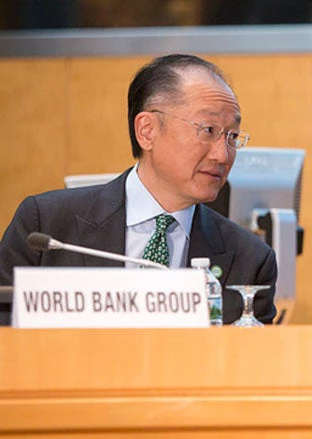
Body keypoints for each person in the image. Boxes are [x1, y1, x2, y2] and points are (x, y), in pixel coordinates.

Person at [0, 54, 277, 324]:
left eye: (232, 136)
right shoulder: (46, 226)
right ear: (147, 131)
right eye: (207, 130)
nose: (222, 155)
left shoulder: (250, 260)